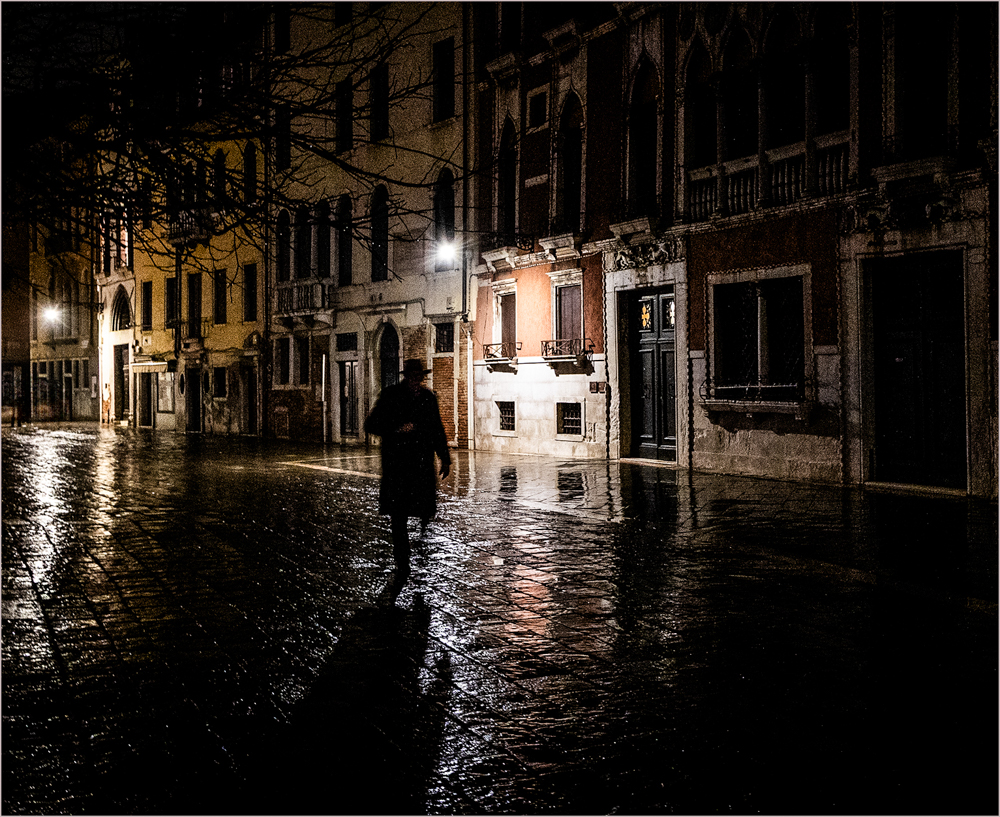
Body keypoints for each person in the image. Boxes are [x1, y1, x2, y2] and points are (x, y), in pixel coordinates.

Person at [364, 358, 451, 605]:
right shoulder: (391, 396)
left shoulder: (428, 398)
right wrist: (398, 428)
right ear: (406, 377)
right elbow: (372, 424)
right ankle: (403, 562)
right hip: (397, 467)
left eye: (418, 377)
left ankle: (420, 539)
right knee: (398, 516)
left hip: (421, 466)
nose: (415, 381)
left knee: (423, 509)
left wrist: (445, 458)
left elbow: (436, 429)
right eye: (412, 377)